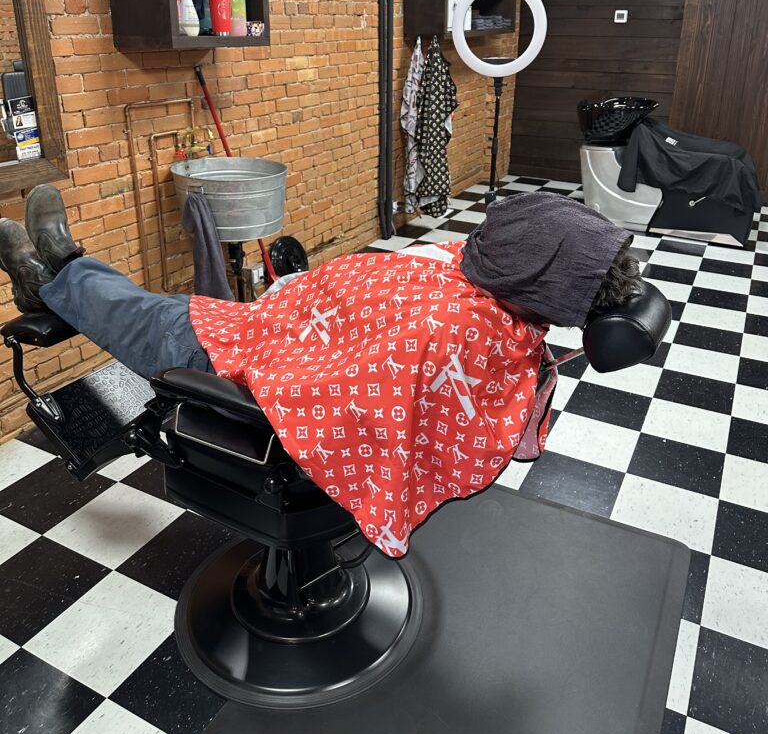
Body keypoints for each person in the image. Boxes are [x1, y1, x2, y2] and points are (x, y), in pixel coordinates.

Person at [0, 185, 640, 556]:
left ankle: (54, 274)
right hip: (277, 331)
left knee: (153, 319)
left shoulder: (457, 312)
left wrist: (285, 325)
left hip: (245, 369)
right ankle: (62, 268)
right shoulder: (477, 297)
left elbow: (357, 397)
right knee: (155, 308)